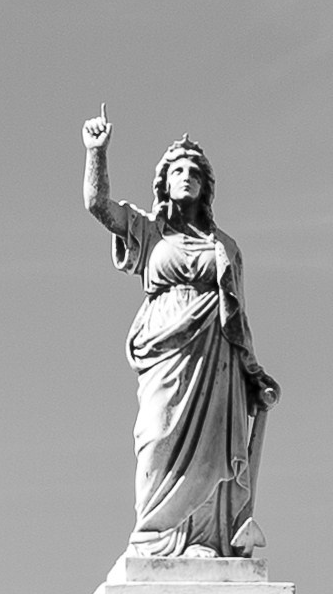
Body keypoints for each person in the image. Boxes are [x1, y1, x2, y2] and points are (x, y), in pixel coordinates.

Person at [82, 116, 279, 561]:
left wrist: (254, 373)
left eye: (194, 172)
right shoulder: (151, 231)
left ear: (206, 187)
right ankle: (154, 536)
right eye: (178, 171)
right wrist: (97, 152)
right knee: (157, 436)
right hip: (166, 349)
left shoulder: (224, 247)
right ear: (164, 183)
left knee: (210, 454)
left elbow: (238, 316)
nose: (186, 178)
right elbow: (98, 205)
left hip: (216, 356)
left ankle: (203, 541)